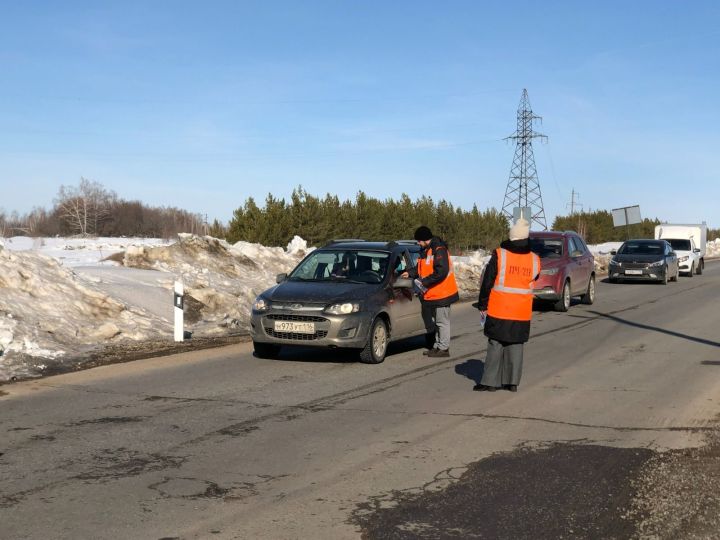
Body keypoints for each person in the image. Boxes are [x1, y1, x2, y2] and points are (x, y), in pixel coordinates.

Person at [474, 217, 540, 392]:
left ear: (512, 237)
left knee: (495, 343)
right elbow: (535, 277)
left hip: (499, 309)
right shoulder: (534, 259)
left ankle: (490, 382)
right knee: (516, 344)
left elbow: (487, 281)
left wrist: (482, 303)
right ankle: (512, 382)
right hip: (521, 312)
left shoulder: (500, 254)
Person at [401, 225, 459, 357]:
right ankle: (437, 346)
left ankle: (443, 348)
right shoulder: (426, 251)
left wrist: (424, 282)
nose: (417, 243)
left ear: (425, 239)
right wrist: (409, 273)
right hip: (433, 294)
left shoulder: (439, 250)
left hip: (443, 293)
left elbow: (441, 272)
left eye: (418, 240)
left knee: (442, 322)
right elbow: (420, 268)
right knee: (437, 322)